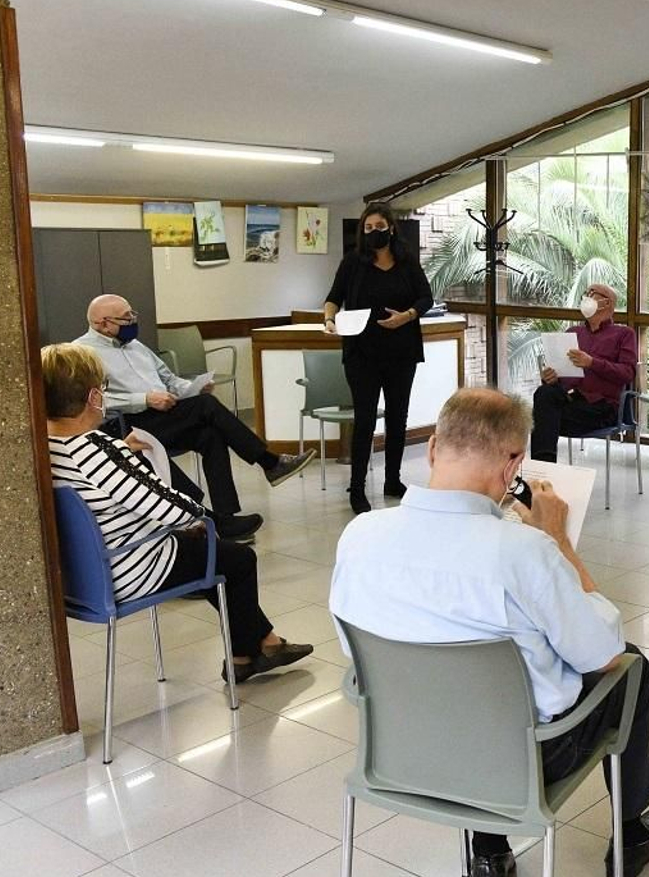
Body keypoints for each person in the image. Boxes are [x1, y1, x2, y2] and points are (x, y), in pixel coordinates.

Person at [330, 388, 649, 877]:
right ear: (514, 466)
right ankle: (629, 833)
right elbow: (603, 653)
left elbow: (354, 653)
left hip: (402, 748)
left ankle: (488, 851)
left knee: (467, 688)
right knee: (632, 666)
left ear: (435, 449)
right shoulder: (524, 551)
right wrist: (560, 544)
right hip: (520, 759)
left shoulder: (359, 536)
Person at [42, 344, 313, 684]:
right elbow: (169, 506)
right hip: (130, 570)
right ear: (95, 396)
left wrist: (122, 453)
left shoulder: (44, 446)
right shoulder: (97, 448)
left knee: (213, 555)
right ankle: (247, 653)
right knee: (236, 557)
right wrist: (201, 518)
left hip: (80, 579)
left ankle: (260, 647)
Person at [76, 295, 313, 540]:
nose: (133, 321)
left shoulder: (136, 345)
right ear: (103, 323)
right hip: (129, 424)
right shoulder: (84, 353)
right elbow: (96, 401)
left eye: (132, 314)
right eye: (126, 318)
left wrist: (191, 387)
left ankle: (225, 518)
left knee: (210, 435)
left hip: (164, 416)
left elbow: (168, 379)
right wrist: (144, 398)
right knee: (206, 406)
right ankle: (269, 462)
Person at [323, 202, 435, 515]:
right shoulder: (352, 263)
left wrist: (408, 316)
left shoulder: (407, 261)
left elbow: (426, 297)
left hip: (402, 351)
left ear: (391, 229)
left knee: (398, 418)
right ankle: (357, 488)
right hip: (362, 354)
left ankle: (392, 480)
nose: (374, 232)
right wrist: (329, 320)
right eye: (368, 228)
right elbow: (333, 299)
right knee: (365, 420)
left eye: (379, 227)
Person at [529, 282, 638, 463]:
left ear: (607, 303)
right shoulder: (573, 332)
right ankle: (545, 471)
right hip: (569, 399)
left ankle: (543, 471)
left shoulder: (624, 334)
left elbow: (627, 373)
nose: (587, 297)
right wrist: (551, 377)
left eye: (593, 293)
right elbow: (562, 374)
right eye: (586, 293)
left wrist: (592, 363)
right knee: (544, 393)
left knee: (542, 418)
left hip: (601, 407)